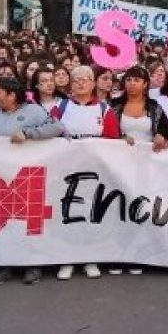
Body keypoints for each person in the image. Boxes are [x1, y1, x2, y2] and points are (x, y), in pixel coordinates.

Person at [0, 77, 65, 285]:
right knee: (2, 221)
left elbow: (57, 128)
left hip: (27, 177)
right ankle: (2, 265)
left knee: (27, 222)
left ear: (12, 96)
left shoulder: (34, 111)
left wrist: (28, 133)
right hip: (1, 178)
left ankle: (32, 265)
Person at [50, 66, 113, 281]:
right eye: (76, 80)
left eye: (86, 79)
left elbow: (112, 140)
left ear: (93, 83)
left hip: (94, 171)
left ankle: (90, 257)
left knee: (91, 211)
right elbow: (51, 133)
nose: (81, 83)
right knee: (66, 212)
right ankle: (66, 258)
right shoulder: (61, 107)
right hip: (66, 169)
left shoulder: (104, 109)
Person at [103, 66, 168, 154]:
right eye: (128, 80)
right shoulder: (113, 105)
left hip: (149, 156)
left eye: (136, 80)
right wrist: (121, 137)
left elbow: (167, 129)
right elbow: (106, 131)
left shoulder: (154, 106)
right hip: (119, 155)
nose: (132, 83)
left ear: (145, 84)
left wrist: (160, 135)